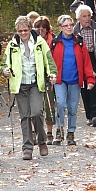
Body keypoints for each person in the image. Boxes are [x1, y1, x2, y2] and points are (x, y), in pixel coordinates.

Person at [0, 16, 57, 160]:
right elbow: (4, 64)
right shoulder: (12, 45)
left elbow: (49, 60)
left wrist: (52, 74)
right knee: (25, 116)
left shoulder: (39, 42)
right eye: (20, 31)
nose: (23, 33)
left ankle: (42, 141)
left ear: (30, 29)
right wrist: (5, 70)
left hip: (36, 83)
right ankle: (27, 148)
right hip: (20, 85)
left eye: (25, 30)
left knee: (37, 112)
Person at [50, 15, 95, 146]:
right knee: (60, 103)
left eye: (70, 24)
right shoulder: (54, 43)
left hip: (75, 79)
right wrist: (50, 76)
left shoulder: (79, 42)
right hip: (60, 79)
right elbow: (49, 62)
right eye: (66, 25)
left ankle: (71, 133)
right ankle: (59, 130)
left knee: (72, 107)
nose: (69, 27)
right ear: (60, 28)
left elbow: (86, 62)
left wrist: (90, 79)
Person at [33, 16, 56, 144]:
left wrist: (52, 74)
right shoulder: (30, 41)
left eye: (43, 29)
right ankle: (34, 132)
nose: (40, 31)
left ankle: (49, 132)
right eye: (38, 29)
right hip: (34, 76)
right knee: (34, 108)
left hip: (47, 76)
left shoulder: (52, 41)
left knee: (49, 105)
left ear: (47, 30)